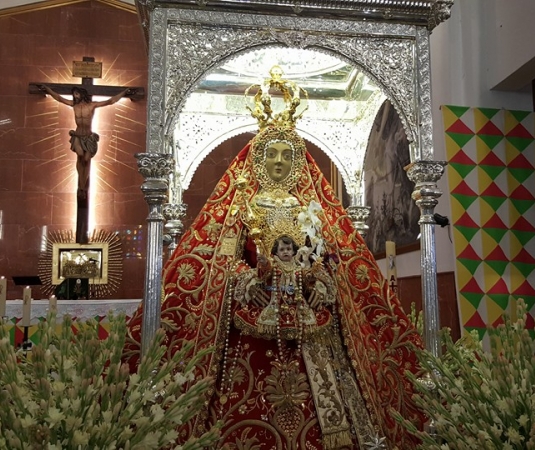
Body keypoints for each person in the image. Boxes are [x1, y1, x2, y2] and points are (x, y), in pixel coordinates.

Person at [125, 68, 425, 449]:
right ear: (259, 159)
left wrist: (322, 281)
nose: (279, 162)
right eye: (272, 154)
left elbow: (327, 255)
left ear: (297, 161)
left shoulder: (309, 206)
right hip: (258, 309)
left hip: (307, 317)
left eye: (287, 155)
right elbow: (223, 254)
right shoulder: (244, 204)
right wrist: (245, 278)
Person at [40, 85, 132, 199]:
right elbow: (59, 98)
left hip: (88, 138)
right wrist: (48, 89)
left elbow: (110, 101)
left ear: (82, 94)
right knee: (80, 156)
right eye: (74, 94)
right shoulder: (74, 105)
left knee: (86, 160)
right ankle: (81, 187)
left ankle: (83, 186)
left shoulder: (92, 105)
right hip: (78, 136)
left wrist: (124, 92)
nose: (75, 96)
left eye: (77, 94)